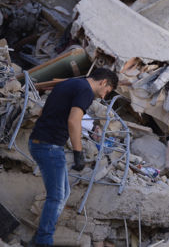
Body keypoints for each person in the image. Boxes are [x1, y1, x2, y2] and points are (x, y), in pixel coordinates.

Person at [29, 68, 118, 247]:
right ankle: (43, 241)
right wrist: (78, 153)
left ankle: (40, 236)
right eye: (106, 92)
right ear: (103, 82)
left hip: (41, 141)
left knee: (62, 194)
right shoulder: (85, 91)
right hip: (49, 146)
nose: (103, 97)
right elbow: (74, 120)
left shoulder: (70, 83)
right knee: (56, 196)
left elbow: (44, 111)